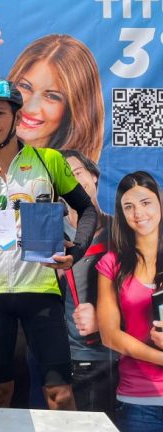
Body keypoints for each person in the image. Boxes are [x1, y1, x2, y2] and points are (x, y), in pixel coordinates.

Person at [0, 78, 97, 410]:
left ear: (17, 117)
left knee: (59, 393)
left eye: (0, 113)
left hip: (41, 291)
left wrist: (75, 251)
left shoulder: (49, 161)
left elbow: (87, 210)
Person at [0, 8, 105, 162]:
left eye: (52, 96)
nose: (31, 108)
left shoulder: (67, 170)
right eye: (26, 87)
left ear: (75, 110)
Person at [97, 171, 163, 432]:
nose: (138, 213)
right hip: (140, 401)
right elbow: (110, 335)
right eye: (129, 207)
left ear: (160, 203)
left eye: (145, 203)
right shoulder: (111, 264)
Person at [60, 149, 118, 418]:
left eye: (77, 173)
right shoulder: (49, 235)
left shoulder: (123, 232)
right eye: (64, 178)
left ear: (94, 176)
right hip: (66, 361)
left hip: (117, 360)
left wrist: (105, 318)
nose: (72, 182)